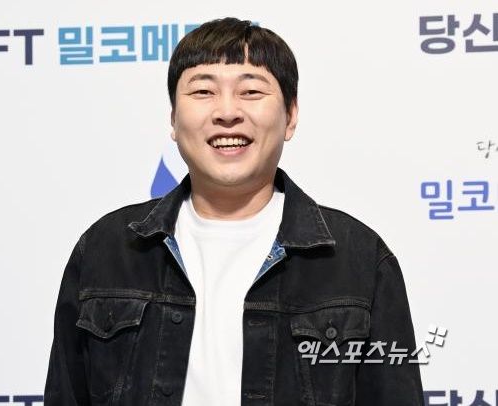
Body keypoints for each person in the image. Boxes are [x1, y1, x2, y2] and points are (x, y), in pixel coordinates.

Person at [44, 17, 424, 406]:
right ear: (173, 118)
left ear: (291, 116)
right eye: (203, 91)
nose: (227, 112)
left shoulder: (357, 258)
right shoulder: (108, 249)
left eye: (251, 91)